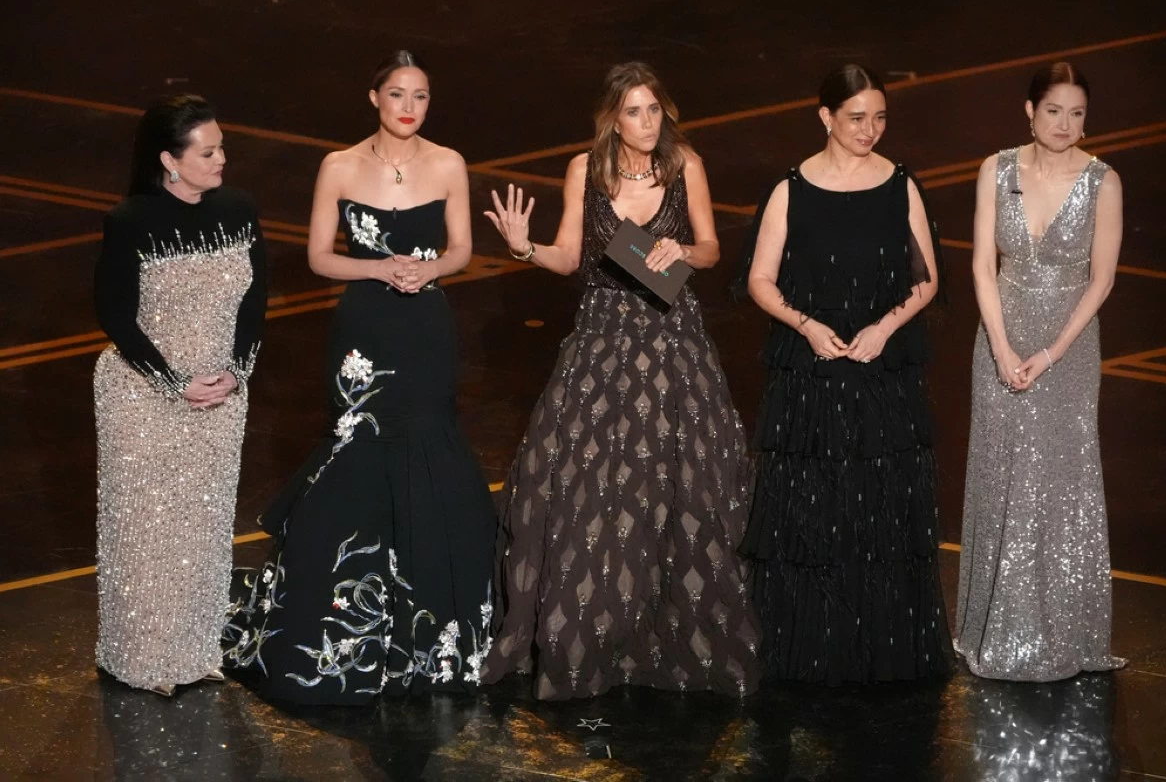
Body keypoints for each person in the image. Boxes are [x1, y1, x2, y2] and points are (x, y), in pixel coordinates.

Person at [222, 51, 496, 704]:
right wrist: (379, 269)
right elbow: (319, 256)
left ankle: (429, 633)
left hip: (425, 326)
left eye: (421, 96)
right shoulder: (339, 166)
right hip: (364, 336)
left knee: (429, 444)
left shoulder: (449, 162)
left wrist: (430, 270)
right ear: (373, 97)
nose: (409, 106)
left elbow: (461, 248)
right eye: (397, 93)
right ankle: (349, 622)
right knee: (359, 451)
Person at [480, 61, 760, 700]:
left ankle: (669, 632)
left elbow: (713, 248)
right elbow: (569, 258)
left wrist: (682, 251)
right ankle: (597, 629)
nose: (646, 122)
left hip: (672, 337)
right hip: (605, 340)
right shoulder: (586, 170)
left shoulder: (685, 163)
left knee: (679, 481)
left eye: (654, 110)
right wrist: (525, 247)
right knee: (588, 477)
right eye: (633, 112)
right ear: (612, 117)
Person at [734, 64, 952, 684]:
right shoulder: (790, 189)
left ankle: (878, 647)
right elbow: (758, 279)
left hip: (883, 368)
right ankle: (813, 649)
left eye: (880, 118)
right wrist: (805, 326)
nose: (870, 130)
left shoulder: (900, 183)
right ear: (824, 116)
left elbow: (928, 277)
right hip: (815, 366)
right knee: (812, 510)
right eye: (857, 118)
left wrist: (885, 327)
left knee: (882, 510)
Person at [955, 62, 1126, 681]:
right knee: (1002, 473)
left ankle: (1063, 633)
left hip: (1068, 349)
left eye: (1078, 113)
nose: (1066, 125)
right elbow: (981, 265)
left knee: (1058, 481)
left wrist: (1051, 354)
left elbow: (1101, 280)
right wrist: (1000, 347)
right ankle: (990, 626)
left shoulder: (1103, 182)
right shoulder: (996, 170)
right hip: (1001, 334)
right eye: (1054, 111)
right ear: (1029, 112)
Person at [94, 94, 267, 697]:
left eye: (221, 147)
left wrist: (235, 372)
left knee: (202, 529)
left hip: (221, 395)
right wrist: (174, 381)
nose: (223, 159)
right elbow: (115, 315)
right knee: (145, 533)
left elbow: (255, 301)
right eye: (209, 151)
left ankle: (194, 652)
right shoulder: (130, 220)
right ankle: (139, 661)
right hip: (143, 397)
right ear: (170, 160)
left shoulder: (240, 210)